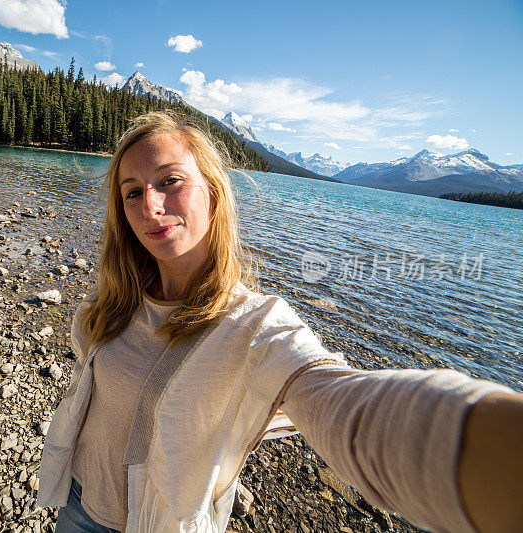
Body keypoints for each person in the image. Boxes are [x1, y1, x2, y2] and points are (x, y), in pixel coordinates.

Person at [36, 111, 523, 532]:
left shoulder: (256, 324)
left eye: (170, 181)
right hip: (78, 499)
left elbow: (336, 396)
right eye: (132, 192)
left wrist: (475, 445)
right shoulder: (118, 300)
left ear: (214, 193)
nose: (151, 207)